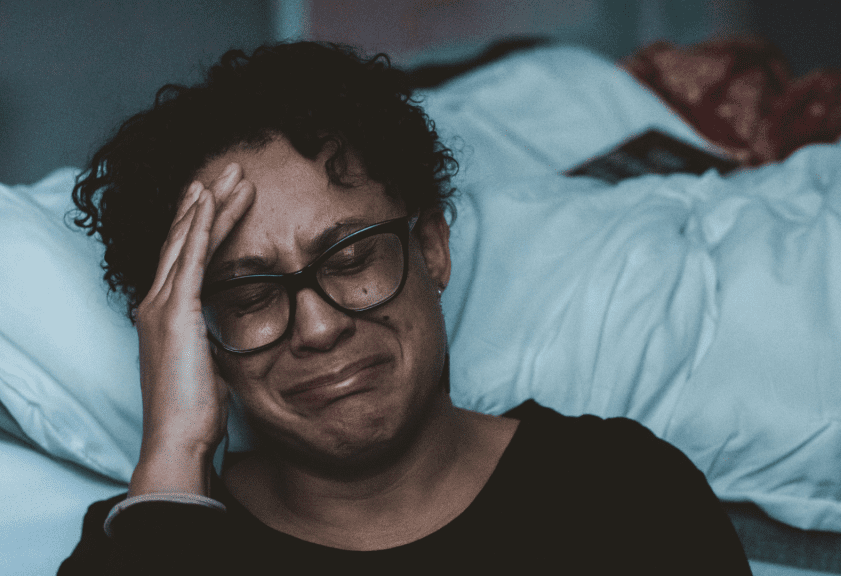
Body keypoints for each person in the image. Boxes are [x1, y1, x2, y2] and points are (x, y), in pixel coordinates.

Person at [57, 41, 752, 574]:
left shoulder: (623, 494)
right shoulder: (142, 539)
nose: (321, 327)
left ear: (431, 247)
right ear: (197, 337)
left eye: (353, 258)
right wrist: (175, 455)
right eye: (250, 295)